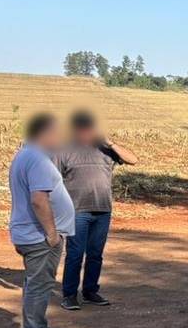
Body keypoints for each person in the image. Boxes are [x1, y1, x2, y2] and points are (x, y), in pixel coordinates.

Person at [55, 110, 139, 311]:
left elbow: (133, 160)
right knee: (75, 254)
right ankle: (69, 295)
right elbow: (54, 180)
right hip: (76, 210)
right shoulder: (64, 150)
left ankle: (90, 291)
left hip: (102, 210)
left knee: (95, 254)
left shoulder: (106, 149)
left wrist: (110, 142)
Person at [9, 113, 76, 328]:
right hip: (40, 236)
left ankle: (38, 327)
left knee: (35, 284)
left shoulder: (26, 155)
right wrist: (52, 234)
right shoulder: (37, 159)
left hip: (29, 232)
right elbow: (39, 200)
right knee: (39, 285)